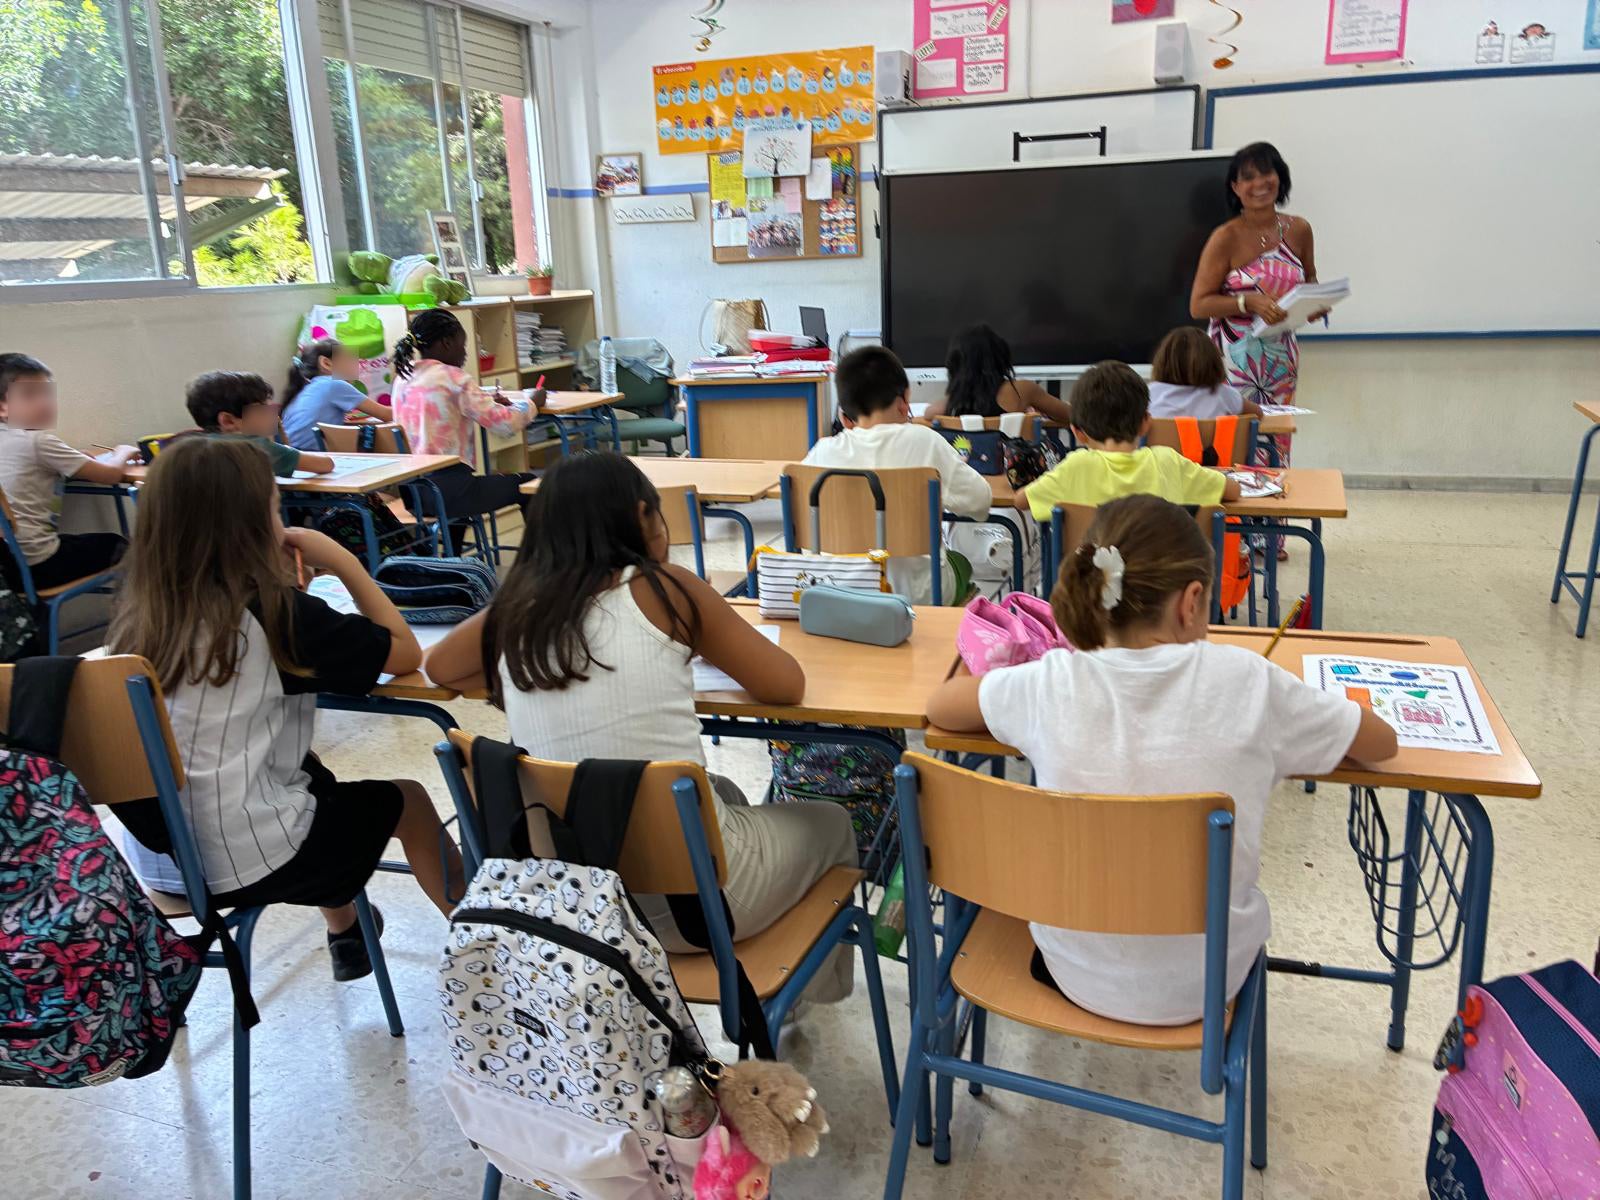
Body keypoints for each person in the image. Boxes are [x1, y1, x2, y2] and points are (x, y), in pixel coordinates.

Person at [926, 494, 1397, 1024]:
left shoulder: (1049, 681)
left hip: (1072, 969)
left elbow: (939, 708)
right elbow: (1381, 744)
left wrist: (1008, 665)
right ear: (1191, 601)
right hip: (1208, 980)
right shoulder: (1250, 681)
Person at [424, 451, 858, 1002]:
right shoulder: (667, 590)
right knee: (832, 822)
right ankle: (808, 997)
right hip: (694, 913)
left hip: (574, 905)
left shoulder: (517, 611)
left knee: (718, 791)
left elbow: (440, 668)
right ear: (641, 516)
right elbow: (785, 686)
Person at [106, 437, 464, 981]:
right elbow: (405, 654)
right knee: (409, 800)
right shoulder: (273, 613)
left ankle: (347, 934)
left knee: (306, 771)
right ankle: (484, 945)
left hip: (163, 859)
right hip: (248, 859)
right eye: (275, 510)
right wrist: (344, 563)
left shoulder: (138, 617)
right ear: (248, 527)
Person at [802, 345, 992, 604]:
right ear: (904, 401)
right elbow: (980, 501)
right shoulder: (925, 441)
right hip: (919, 595)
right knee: (959, 561)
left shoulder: (822, 453)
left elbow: (802, 520)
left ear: (845, 415)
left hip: (839, 592)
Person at [1190, 142, 1322, 477]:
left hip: (1281, 359)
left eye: (1266, 173)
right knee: (1235, 447)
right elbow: (1199, 304)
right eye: (1248, 177)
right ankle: (1235, 510)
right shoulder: (1225, 237)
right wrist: (1247, 302)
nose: (1259, 183)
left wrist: (1316, 304)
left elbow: (1309, 279)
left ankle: (1272, 509)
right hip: (1234, 361)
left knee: (1276, 446)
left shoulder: (1300, 229)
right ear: (1235, 187)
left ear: (1280, 177)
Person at [1014, 361, 1240, 523]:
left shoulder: (1075, 467)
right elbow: (1233, 490)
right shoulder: (1168, 461)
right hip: (1158, 576)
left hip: (1091, 577)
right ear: (1145, 423)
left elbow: (1021, 501)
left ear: (1077, 432)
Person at [391, 308, 542, 527]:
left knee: (461, 496)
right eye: (463, 345)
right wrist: (533, 402)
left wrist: (487, 400)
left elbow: (442, 404)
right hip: (449, 493)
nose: (465, 353)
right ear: (447, 343)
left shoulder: (404, 376)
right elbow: (505, 424)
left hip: (414, 494)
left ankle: (453, 549)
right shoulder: (454, 378)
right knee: (530, 485)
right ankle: (540, 549)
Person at [0, 352, 138, 591]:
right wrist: (123, 452)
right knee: (119, 544)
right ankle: (142, 611)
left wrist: (75, 458)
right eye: (29, 395)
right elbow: (110, 475)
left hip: (8, 571)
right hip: (40, 567)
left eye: (47, 393)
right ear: (2, 407)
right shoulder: (38, 441)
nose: (44, 403)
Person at [185, 371, 335, 477]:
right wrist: (271, 434)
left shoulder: (193, 444)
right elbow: (325, 464)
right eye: (263, 410)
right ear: (228, 421)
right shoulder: (253, 447)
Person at [923, 324, 1074, 426]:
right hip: (1010, 466)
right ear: (1000, 356)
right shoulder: (1022, 390)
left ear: (955, 363)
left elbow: (928, 414)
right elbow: (1072, 415)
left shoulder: (949, 404)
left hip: (964, 466)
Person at [280, 339, 392, 450]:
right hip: (312, 455)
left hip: (296, 455)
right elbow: (387, 415)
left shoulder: (306, 388)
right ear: (326, 363)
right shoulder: (333, 384)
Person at [1147, 326, 1259, 420]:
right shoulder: (1223, 394)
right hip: (1211, 441)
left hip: (1162, 440)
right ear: (1213, 361)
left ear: (1162, 362)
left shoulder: (1149, 393)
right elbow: (1258, 413)